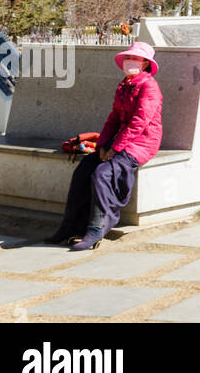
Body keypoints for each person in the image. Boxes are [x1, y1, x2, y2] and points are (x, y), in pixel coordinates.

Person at [46, 41, 163, 251]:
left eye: (136, 59)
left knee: (102, 174)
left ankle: (97, 228)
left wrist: (115, 148)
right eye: (129, 57)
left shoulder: (149, 86)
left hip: (143, 142)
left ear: (145, 64)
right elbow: (113, 119)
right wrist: (101, 146)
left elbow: (139, 122)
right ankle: (70, 227)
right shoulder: (123, 85)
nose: (130, 62)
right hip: (122, 141)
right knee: (83, 170)